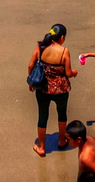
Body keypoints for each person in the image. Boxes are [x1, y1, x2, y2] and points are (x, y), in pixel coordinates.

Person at [28, 24, 76, 157]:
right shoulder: (64, 51)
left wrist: (31, 81)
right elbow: (68, 72)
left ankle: (42, 147)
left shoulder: (40, 47)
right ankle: (61, 140)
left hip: (43, 88)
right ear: (62, 37)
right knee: (62, 114)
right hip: (61, 89)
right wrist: (74, 73)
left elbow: (31, 65)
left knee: (43, 116)